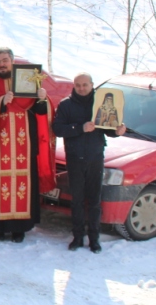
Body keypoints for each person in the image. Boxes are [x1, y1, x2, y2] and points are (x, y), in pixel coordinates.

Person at [0, 47, 56, 243]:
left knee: (24, 184)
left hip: (24, 146)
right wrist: (1, 101)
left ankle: (20, 227)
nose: (2, 64)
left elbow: (40, 111)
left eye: (5, 60)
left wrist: (43, 98)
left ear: (12, 61)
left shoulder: (28, 80)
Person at [53, 74, 126, 253]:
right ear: (74, 86)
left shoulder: (100, 102)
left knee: (94, 200)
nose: (82, 88)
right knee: (77, 200)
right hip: (74, 158)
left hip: (95, 157)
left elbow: (109, 129)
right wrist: (79, 128)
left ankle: (94, 239)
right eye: (78, 85)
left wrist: (118, 130)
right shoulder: (66, 105)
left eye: (85, 85)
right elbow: (57, 129)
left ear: (92, 85)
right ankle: (77, 237)